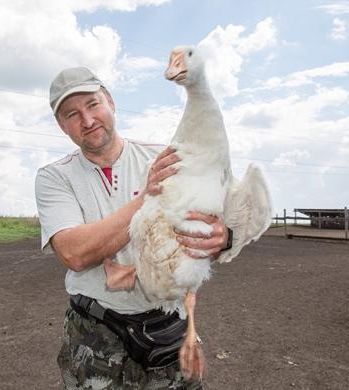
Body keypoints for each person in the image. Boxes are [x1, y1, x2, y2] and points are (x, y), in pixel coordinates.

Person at [35, 67, 231, 389]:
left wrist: (225, 237)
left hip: (169, 323)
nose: (87, 120)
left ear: (110, 102)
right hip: (95, 333)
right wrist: (147, 198)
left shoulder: (164, 158)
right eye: (72, 114)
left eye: (93, 105)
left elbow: (213, 213)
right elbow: (76, 253)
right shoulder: (55, 177)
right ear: (61, 125)